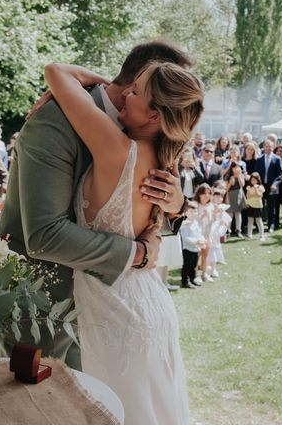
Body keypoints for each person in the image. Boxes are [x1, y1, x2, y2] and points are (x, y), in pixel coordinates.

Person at [0, 41, 194, 404]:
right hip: (45, 308)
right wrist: (138, 254)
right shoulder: (54, 122)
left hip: (117, 308)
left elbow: (146, 209)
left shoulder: (149, 135)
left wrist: (177, 206)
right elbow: (45, 236)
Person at [41, 59, 203, 425]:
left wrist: (102, 81)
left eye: (135, 91)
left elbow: (55, 71)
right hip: (151, 305)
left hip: (115, 317)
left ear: (154, 116)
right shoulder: (163, 158)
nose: (123, 94)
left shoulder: (115, 148)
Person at [255, 139, 282, 233]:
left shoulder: (277, 159)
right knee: (260, 205)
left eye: (270, 146)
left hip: (272, 186)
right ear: (263, 147)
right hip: (262, 186)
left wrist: (275, 184)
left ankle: (271, 225)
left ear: (273, 147)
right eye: (266, 146)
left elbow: (280, 174)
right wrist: (259, 185)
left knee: (272, 207)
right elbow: (256, 173)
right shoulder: (259, 159)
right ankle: (259, 225)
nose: (268, 148)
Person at [179, 201, 207, 289]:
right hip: (187, 249)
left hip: (196, 249)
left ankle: (193, 278)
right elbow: (185, 238)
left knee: (194, 265)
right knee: (186, 265)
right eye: (190, 211)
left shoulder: (196, 223)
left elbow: (199, 233)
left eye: (195, 211)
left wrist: (202, 240)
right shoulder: (185, 224)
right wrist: (196, 241)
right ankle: (185, 281)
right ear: (186, 213)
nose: (193, 213)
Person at [194, 183, 214, 283]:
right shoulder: (195, 205)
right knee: (196, 255)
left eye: (209, 193)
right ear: (199, 194)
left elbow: (212, 221)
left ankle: (204, 274)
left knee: (205, 255)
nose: (207, 195)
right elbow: (192, 219)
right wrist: (201, 216)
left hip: (207, 233)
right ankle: (195, 275)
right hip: (197, 234)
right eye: (204, 193)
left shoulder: (210, 205)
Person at [225, 161, 246, 237]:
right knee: (229, 213)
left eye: (238, 167)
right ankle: (228, 231)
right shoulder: (228, 176)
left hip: (238, 195)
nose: (237, 169)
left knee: (238, 213)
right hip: (230, 195)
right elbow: (226, 189)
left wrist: (238, 176)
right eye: (235, 167)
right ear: (232, 168)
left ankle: (238, 230)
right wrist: (230, 182)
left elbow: (242, 185)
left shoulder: (241, 175)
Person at [246, 172, 266, 241]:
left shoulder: (260, 187)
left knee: (258, 220)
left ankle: (262, 235)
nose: (253, 181)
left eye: (255, 180)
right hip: (250, 205)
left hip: (258, 206)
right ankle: (249, 234)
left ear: (258, 180)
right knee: (250, 220)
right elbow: (248, 196)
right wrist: (253, 195)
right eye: (252, 180)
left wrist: (255, 189)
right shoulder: (248, 187)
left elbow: (260, 195)